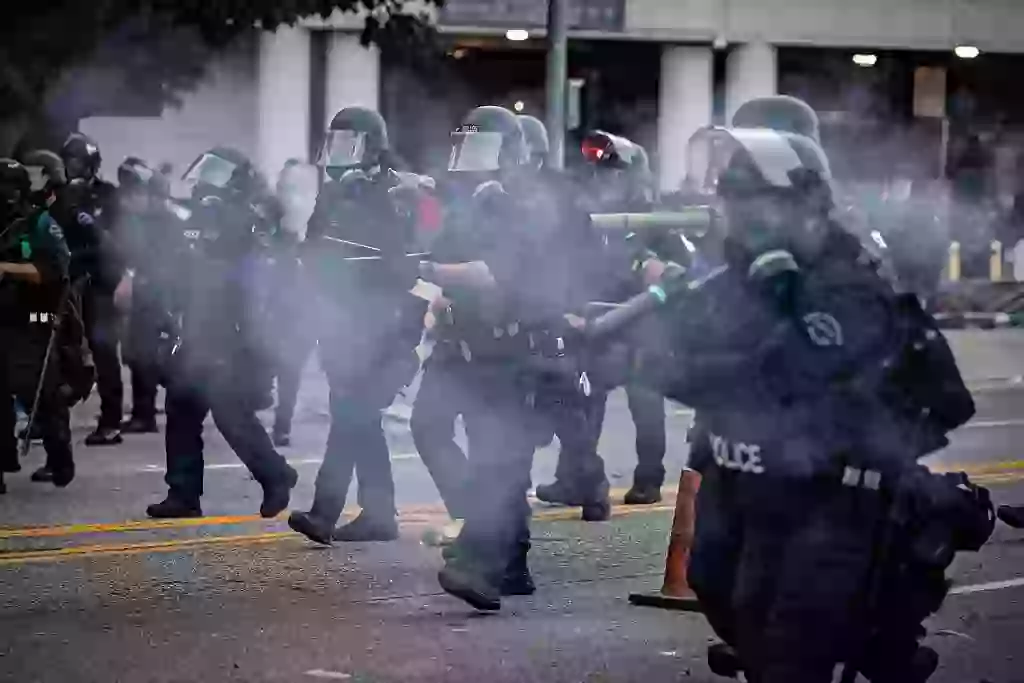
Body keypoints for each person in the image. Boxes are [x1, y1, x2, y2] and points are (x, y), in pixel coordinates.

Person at [639, 95, 984, 683]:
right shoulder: (745, 253)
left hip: (824, 467)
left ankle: (879, 635)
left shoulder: (840, 257)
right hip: (744, 445)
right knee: (715, 579)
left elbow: (814, 359)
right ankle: (851, 645)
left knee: (793, 630)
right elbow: (693, 332)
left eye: (755, 194)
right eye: (735, 194)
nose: (740, 208)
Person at [420, 105, 597, 610]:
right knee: (497, 459)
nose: (473, 163)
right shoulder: (473, 205)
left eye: (485, 151)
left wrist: (430, 270)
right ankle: (513, 566)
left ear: (512, 156)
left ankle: (483, 570)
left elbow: (490, 273)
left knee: (500, 459)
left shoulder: (529, 208)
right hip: (480, 345)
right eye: (468, 149)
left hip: (523, 348)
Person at [287, 107, 427, 544]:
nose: (340, 155)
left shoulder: (396, 193)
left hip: (388, 329)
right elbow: (311, 248)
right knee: (359, 418)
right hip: (343, 327)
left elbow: (406, 262)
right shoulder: (332, 194)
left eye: (351, 144)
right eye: (336, 144)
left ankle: (324, 512)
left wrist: (373, 197)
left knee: (352, 416)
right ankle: (380, 513)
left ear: (373, 150)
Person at [145, 147, 298, 519]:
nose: (205, 184)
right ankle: (183, 494)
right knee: (181, 407)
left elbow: (259, 279)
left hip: (232, 333)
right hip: (197, 325)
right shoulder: (199, 218)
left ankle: (276, 475)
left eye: (217, 175)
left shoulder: (249, 222)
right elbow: (183, 264)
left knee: (231, 412)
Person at [0, 158, 76, 492]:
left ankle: (59, 453)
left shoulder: (38, 223)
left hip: (34, 317)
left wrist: (7, 269)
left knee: (38, 391)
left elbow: (54, 270)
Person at [51, 133, 125, 448]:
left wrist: (95, 226)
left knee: (103, 345)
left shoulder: (108, 196)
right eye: (69, 162)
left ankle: (110, 421)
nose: (74, 167)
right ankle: (52, 415)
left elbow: (118, 242)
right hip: (63, 281)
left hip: (98, 283)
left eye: (79, 162)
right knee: (52, 341)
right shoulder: (56, 195)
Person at [112, 157, 176, 434]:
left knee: (146, 355)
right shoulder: (151, 220)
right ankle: (143, 411)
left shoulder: (163, 222)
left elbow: (162, 259)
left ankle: (145, 413)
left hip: (156, 294)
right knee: (138, 354)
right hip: (149, 292)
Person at [265, 159, 318, 448]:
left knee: (291, 366)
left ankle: (282, 422)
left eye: (298, 186)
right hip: (271, 300)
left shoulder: (320, 217)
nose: (291, 193)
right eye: (287, 186)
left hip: (302, 305)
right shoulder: (269, 218)